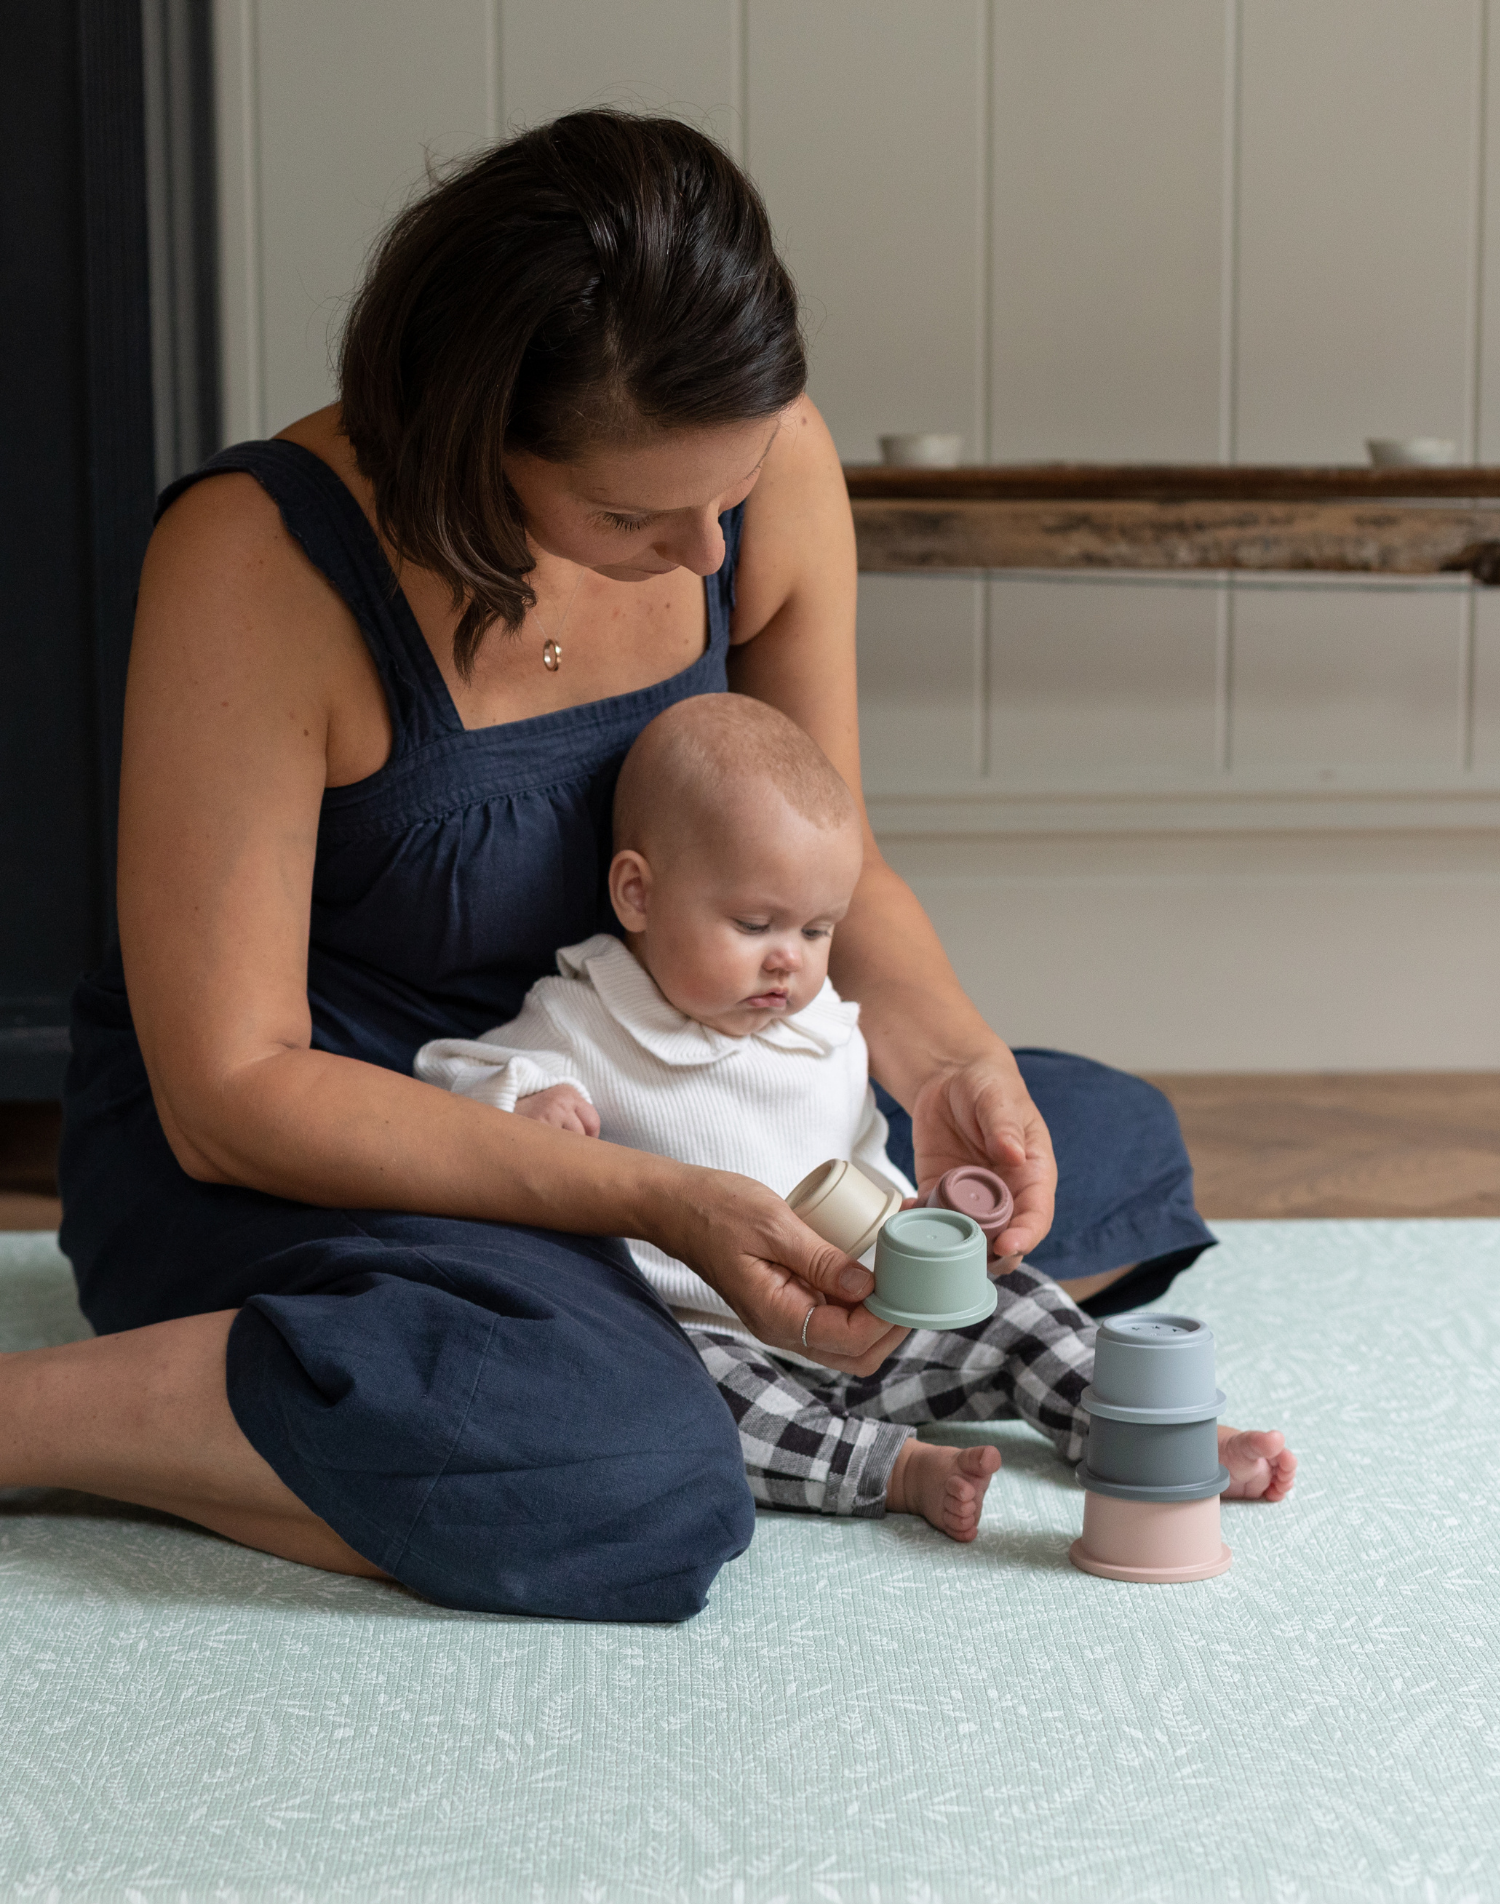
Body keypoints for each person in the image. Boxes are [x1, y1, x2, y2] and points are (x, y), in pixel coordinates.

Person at [1, 110, 1238, 1622]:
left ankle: (621, 1350)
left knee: (1106, 1150)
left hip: (661, 1053)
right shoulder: (256, 562)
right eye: (632, 515)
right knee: (636, 1481)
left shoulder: (757, 460)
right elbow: (230, 1095)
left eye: (724, 497)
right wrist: (649, 1201)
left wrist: (955, 1059)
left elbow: (841, 875)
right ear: (468, 432)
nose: (710, 555)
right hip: (337, 1138)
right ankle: (43, 1421)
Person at [416, 694, 1296, 1541]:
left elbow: (873, 1159)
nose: (787, 963)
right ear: (637, 894)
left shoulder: (825, 1019)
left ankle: (1144, 1436)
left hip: (879, 1319)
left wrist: (942, 1221)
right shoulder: (582, 1015)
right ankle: (890, 1470)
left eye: (815, 930)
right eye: (755, 922)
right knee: (687, 1403)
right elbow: (450, 1076)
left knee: (1023, 1305)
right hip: (714, 1338)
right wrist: (529, 1103)